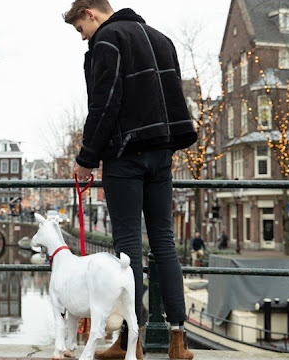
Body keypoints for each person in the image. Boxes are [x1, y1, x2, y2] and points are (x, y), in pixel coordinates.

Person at [65, 1, 197, 359]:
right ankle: (178, 340)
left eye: (80, 28)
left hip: (125, 156)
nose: (83, 37)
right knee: (164, 243)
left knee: (127, 251)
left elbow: (104, 103)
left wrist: (86, 159)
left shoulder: (107, 40)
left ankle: (129, 342)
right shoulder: (162, 39)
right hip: (162, 155)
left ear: (91, 12)